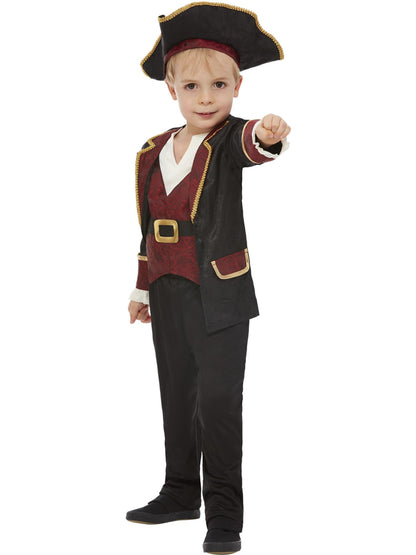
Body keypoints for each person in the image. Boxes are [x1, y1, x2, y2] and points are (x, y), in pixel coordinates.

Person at [125, 3, 291, 553]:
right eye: (192, 86)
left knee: (217, 404)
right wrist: (142, 286)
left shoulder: (231, 140)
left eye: (219, 85)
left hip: (220, 293)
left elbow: (256, 147)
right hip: (167, 288)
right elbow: (150, 227)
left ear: (238, 87)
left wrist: (268, 133)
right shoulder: (151, 151)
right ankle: (179, 493)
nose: (205, 98)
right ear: (170, 88)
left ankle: (223, 515)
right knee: (176, 394)